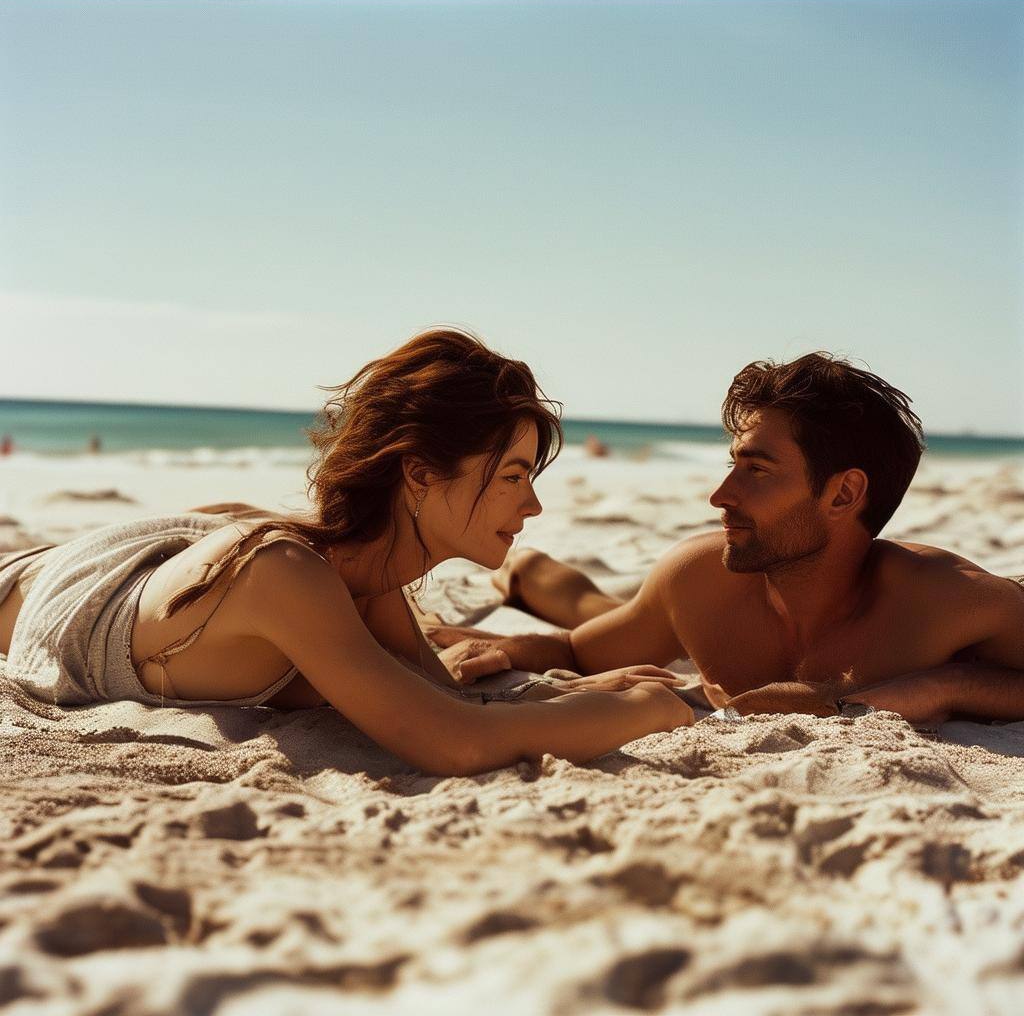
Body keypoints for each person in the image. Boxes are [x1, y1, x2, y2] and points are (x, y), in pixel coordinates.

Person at [0, 329, 693, 776]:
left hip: (177, 562)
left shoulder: (371, 580)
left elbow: (443, 698)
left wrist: (575, 690)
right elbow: (453, 741)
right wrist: (649, 710)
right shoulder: (289, 577)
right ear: (420, 473)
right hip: (41, 585)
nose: (533, 506)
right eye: (513, 476)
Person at [428, 353, 1024, 727]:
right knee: (612, 613)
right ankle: (528, 571)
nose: (720, 495)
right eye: (732, 463)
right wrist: (505, 648)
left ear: (842, 496)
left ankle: (529, 571)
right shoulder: (698, 576)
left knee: (628, 611)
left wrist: (939, 684)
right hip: (695, 604)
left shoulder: (948, 602)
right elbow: (583, 653)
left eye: (757, 470)